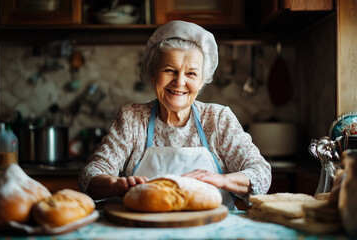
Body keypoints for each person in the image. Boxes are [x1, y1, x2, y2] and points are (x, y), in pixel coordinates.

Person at [78, 20, 271, 210]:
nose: (179, 82)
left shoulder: (218, 119)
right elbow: (90, 175)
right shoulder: (132, 118)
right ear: (153, 75)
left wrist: (221, 180)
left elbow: (261, 174)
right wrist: (115, 185)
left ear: (202, 81)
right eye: (169, 70)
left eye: (192, 74)